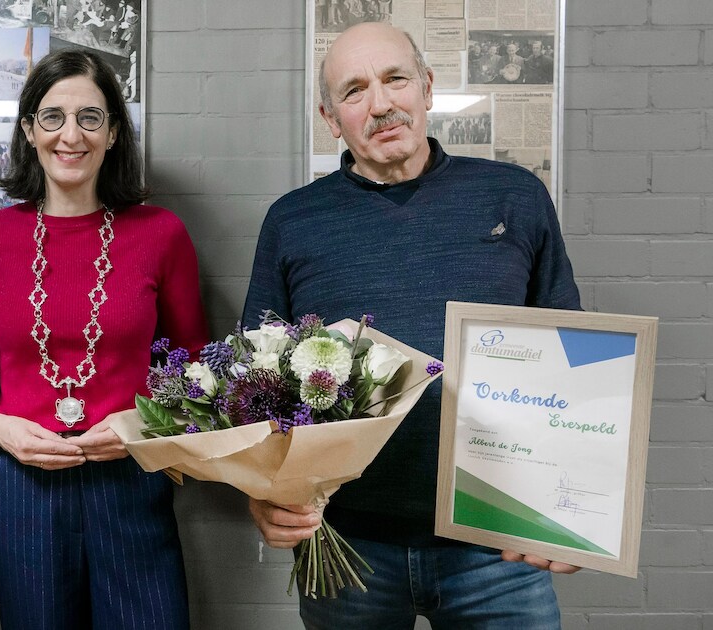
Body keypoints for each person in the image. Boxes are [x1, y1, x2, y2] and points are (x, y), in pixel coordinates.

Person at [242, 23, 581, 629]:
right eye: (354, 91)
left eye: (395, 79)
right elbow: (254, 388)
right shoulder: (293, 221)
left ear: (426, 87)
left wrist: (571, 511)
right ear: (330, 117)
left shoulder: (515, 197)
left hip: (498, 545)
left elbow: (569, 357)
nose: (380, 104)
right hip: (347, 546)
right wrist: (262, 494)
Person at [0, 49, 207, 630]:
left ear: (113, 133)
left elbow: (194, 365)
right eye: (52, 116)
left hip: (133, 478)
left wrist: (145, 423)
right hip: (25, 487)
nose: (71, 135)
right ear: (28, 130)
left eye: (90, 117)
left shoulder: (161, 233)